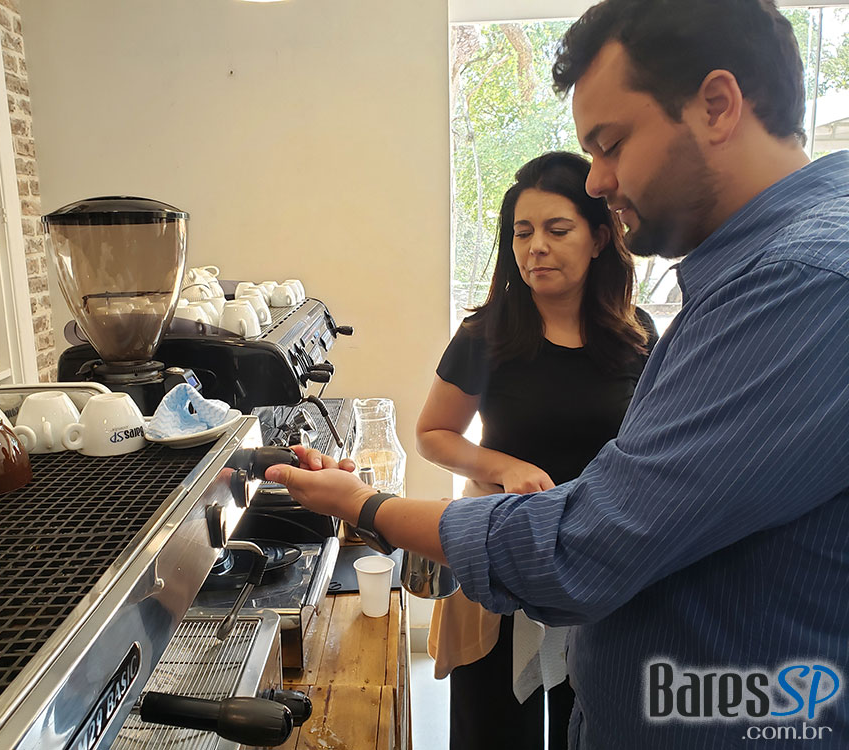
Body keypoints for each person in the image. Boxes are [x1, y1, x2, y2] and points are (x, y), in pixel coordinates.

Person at [265, 0, 849, 746]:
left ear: (717, 105)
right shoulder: (737, 282)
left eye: (611, 144)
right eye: (522, 232)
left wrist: (367, 505)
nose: (598, 180)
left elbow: (583, 548)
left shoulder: (798, 286)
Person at [416, 151, 657, 750]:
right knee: (496, 728)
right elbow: (433, 433)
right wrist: (506, 467)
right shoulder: (486, 334)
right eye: (522, 233)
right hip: (501, 555)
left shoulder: (636, 333)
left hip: (597, 558)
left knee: (594, 719)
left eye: (557, 229)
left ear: (599, 238)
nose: (536, 248)